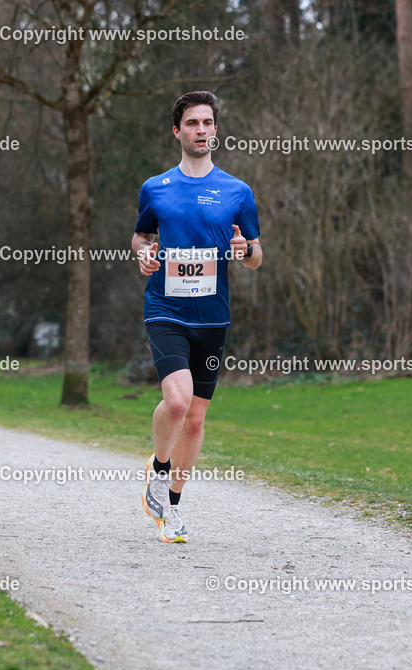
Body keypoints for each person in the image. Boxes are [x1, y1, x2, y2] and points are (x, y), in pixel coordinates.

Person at [132, 91, 263, 543]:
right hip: (165, 310)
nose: (201, 130)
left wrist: (245, 250)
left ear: (216, 130)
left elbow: (256, 256)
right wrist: (144, 253)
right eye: (192, 123)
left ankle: (171, 506)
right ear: (177, 131)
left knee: (195, 419)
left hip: (212, 317)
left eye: (207, 122)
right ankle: (159, 468)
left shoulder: (237, 191)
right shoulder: (156, 188)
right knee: (177, 402)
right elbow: (140, 237)